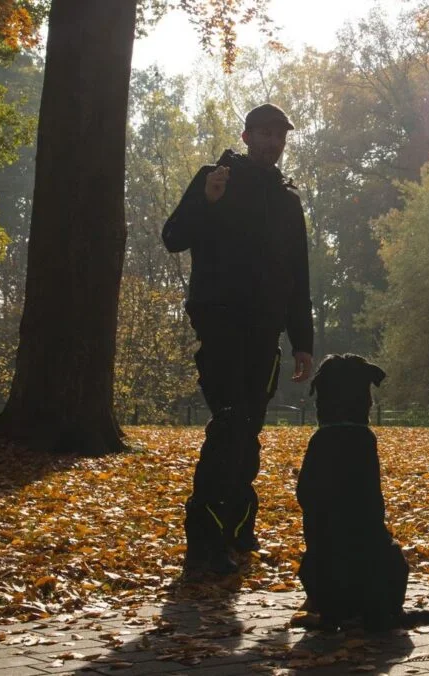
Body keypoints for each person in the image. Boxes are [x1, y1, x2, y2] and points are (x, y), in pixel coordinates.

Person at [162, 103, 314, 576]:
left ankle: (239, 531)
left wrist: (302, 341)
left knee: (248, 431)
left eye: (279, 135)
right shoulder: (216, 178)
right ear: (246, 136)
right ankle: (204, 544)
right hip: (220, 324)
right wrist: (205, 202)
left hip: (264, 333)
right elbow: (173, 237)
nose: (272, 142)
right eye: (264, 133)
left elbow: (298, 275)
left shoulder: (288, 201)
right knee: (229, 425)